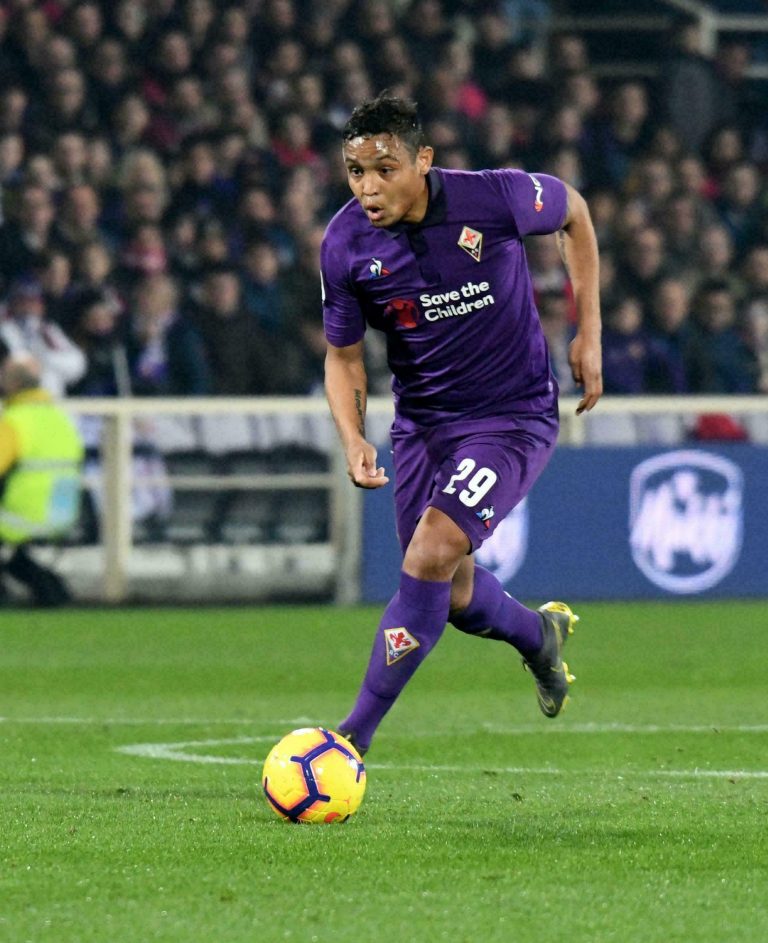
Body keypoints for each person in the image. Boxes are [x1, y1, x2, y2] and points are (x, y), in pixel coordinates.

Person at [321, 95, 602, 756]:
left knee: (428, 552)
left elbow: (577, 214)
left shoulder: (495, 198)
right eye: (356, 172)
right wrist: (354, 437)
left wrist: (588, 330)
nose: (368, 187)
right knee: (452, 592)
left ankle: (349, 740)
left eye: (384, 169)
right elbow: (342, 356)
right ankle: (539, 636)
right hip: (422, 426)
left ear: (423, 160)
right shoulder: (344, 244)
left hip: (511, 417)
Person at [0, 351, 84, 606]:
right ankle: (51, 590)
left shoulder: (14, 421)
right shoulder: (61, 420)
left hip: (20, 518)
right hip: (63, 514)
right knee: (15, 555)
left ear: (13, 385)